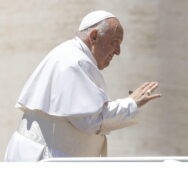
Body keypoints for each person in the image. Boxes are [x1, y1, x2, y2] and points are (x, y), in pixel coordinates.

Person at [4, 10, 161, 161]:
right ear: (94, 36)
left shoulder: (73, 56)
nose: (118, 51)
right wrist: (131, 103)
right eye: (115, 42)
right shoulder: (74, 62)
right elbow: (90, 120)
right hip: (46, 159)